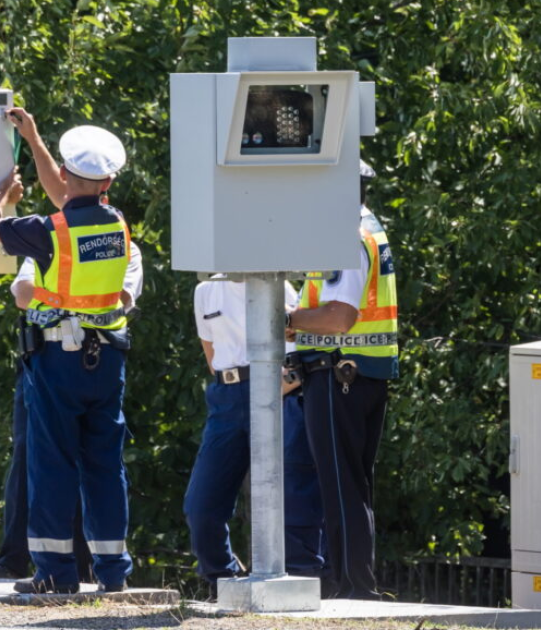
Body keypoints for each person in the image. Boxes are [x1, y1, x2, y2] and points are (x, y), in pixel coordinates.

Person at [0, 108, 134, 594]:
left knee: (52, 464)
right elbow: (70, 196)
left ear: (67, 176)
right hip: (106, 358)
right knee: (105, 466)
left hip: (57, 358)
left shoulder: (48, 232)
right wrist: (36, 139)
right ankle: (113, 575)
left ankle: (54, 574)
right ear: (108, 180)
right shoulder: (117, 225)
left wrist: (7, 189)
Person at [0, 246, 143, 582]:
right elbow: (23, 294)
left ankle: (81, 569)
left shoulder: (120, 242)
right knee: (30, 460)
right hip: (44, 356)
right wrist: (83, 298)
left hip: (93, 355)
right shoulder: (47, 235)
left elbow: (122, 297)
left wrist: (56, 298)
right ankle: (20, 560)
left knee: (89, 464)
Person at [285, 160, 399, 600]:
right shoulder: (370, 228)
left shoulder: (344, 238)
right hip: (361, 374)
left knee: (341, 485)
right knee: (353, 484)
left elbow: (339, 316)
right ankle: (354, 584)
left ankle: (353, 589)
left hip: (339, 374)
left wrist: (286, 321)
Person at [184, 276, 325, 601]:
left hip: (278, 394)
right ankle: (222, 583)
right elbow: (212, 358)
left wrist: (273, 391)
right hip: (226, 398)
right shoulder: (205, 291)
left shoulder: (277, 287)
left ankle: (302, 580)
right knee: (201, 505)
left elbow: (299, 354)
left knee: (292, 497)